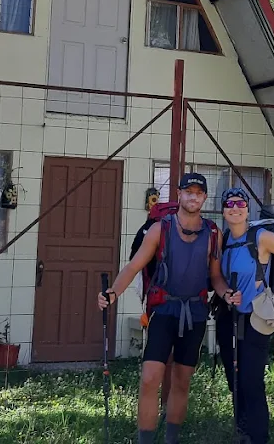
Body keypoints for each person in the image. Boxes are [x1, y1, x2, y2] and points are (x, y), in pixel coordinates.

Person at [99, 172, 228, 444]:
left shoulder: (213, 233)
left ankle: (172, 439)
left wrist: (227, 293)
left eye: (198, 192)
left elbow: (215, 276)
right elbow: (134, 265)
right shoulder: (161, 228)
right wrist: (112, 293)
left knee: (182, 380)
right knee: (149, 378)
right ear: (179, 194)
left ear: (204, 197)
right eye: (188, 191)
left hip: (195, 313)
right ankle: (145, 439)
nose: (193, 196)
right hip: (164, 310)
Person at [215, 187, 274, 444]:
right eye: (229, 204)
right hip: (229, 315)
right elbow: (217, 278)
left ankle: (258, 436)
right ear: (223, 211)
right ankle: (242, 429)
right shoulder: (224, 240)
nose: (235, 208)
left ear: (247, 209)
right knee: (233, 377)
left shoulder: (261, 237)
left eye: (240, 204)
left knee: (250, 379)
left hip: (257, 317)